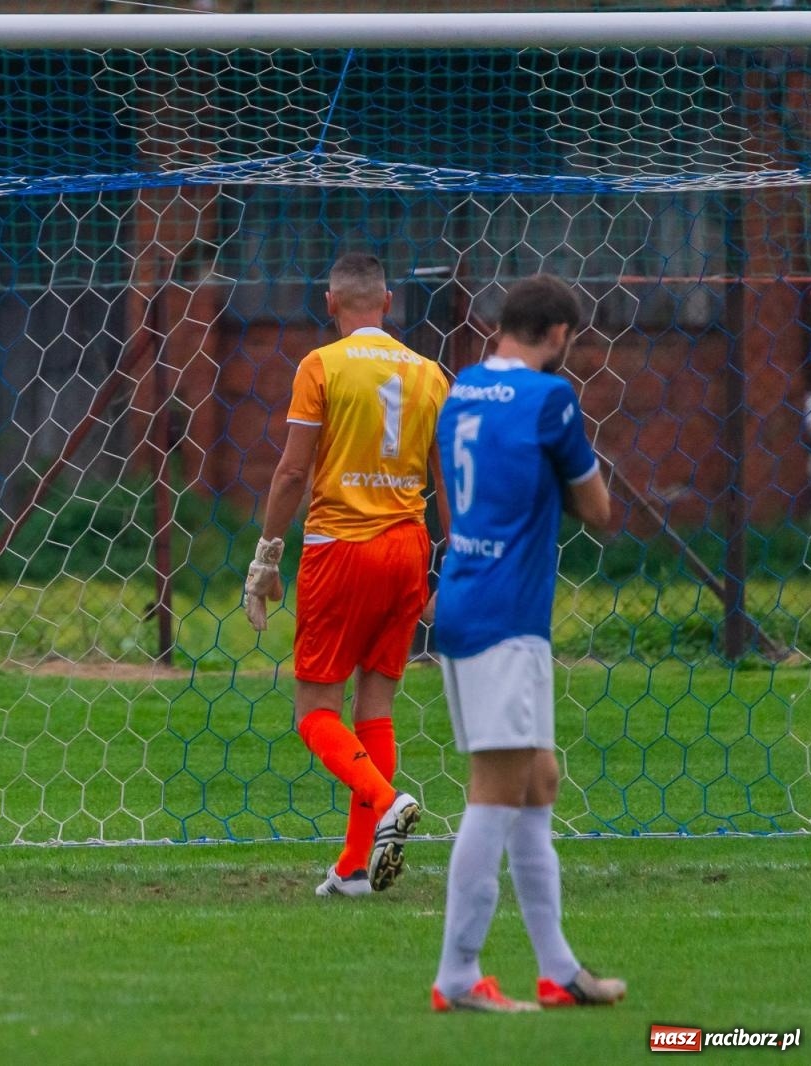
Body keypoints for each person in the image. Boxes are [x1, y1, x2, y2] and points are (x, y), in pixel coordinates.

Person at [429, 274, 626, 1012]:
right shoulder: (552, 400)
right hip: (507, 617)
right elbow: (599, 507)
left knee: (538, 780)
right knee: (496, 792)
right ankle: (457, 976)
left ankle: (560, 972)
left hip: (465, 598)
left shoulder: (463, 390)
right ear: (559, 336)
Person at [244, 252, 449, 897]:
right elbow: (448, 484)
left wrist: (266, 562)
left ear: (329, 303)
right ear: (389, 304)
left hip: (342, 549)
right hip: (409, 549)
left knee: (313, 713)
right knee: (377, 707)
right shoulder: (429, 373)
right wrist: (451, 571)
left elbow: (291, 473)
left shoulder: (321, 366)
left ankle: (386, 801)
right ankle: (355, 869)